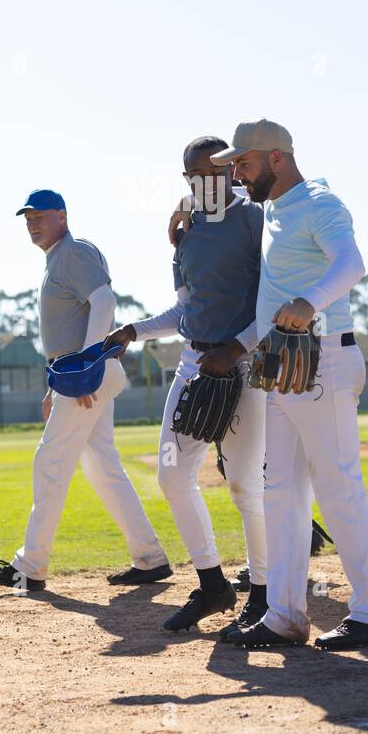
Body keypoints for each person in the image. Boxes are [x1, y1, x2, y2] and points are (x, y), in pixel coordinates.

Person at [203, 120, 368, 651]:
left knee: (337, 487)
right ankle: (285, 614)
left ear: (277, 159)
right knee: (280, 492)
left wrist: (310, 301)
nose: (236, 174)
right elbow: (220, 212)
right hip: (282, 367)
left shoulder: (317, 202)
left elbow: (352, 263)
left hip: (323, 360)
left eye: (243, 163)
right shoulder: (275, 209)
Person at [106, 137, 268, 633]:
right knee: (173, 477)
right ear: (188, 179)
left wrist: (234, 348)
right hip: (195, 362)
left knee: (244, 484)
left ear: (234, 171)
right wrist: (135, 330)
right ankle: (213, 586)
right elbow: (184, 310)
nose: (211, 180)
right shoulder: (188, 232)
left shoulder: (256, 221)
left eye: (220, 170)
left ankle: (262, 594)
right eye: (199, 173)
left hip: (244, 365)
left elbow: (273, 303)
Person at [0, 188, 170, 592]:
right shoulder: (56, 260)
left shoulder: (75, 251)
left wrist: (86, 368)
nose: (32, 222)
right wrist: (60, 383)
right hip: (82, 374)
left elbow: (105, 302)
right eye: (27, 217)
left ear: (62, 216)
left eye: (40, 215)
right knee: (102, 467)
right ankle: (150, 558)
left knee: (50, 463)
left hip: (91, 373)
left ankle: (29, 567)